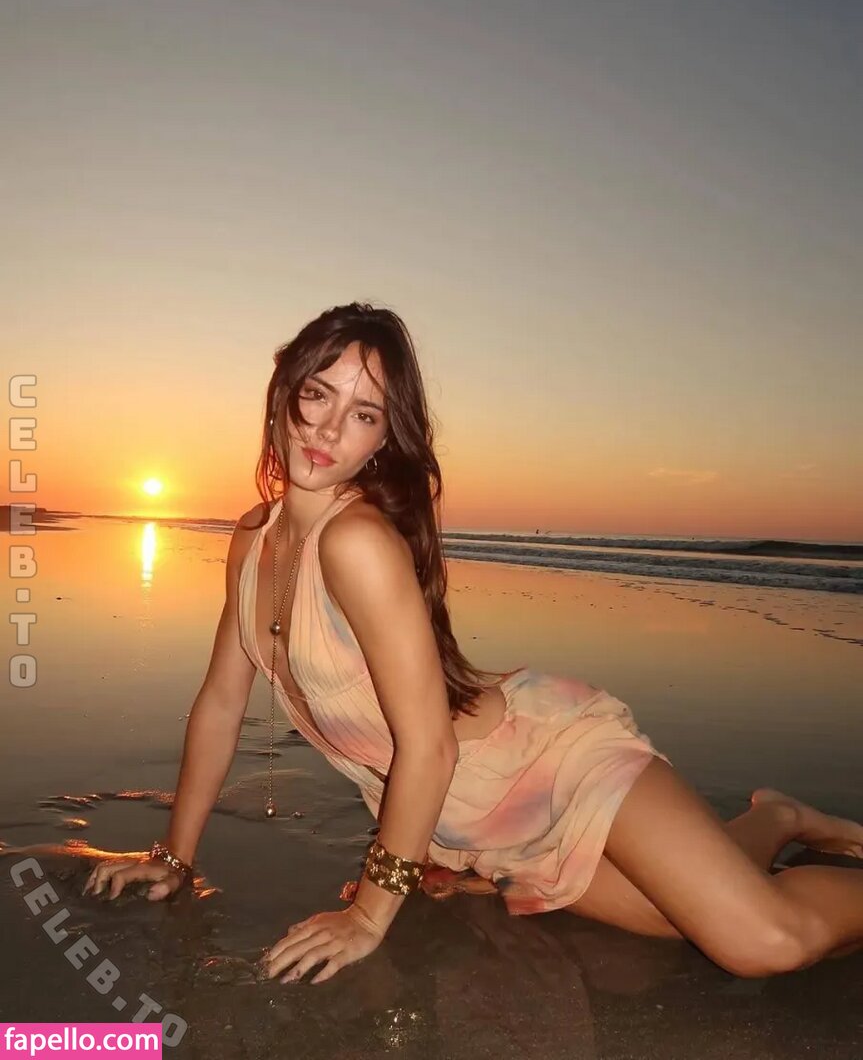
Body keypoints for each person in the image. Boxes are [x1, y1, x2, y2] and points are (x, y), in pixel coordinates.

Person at [84, 302, 863, 986]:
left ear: (382, 440)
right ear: (283, 392)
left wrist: (371, 912)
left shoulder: (356, 543)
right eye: (317, 393)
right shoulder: (253, 537)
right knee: (684, 920)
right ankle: (778, 818)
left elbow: (429, 745)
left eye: (363, 413)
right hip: (463, 826)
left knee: (762, 940)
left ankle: (780, 829)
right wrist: (174, 858)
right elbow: (220, 705)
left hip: (543, 766)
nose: (327, 428)